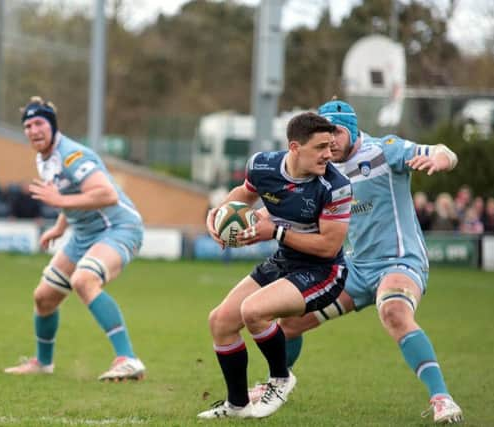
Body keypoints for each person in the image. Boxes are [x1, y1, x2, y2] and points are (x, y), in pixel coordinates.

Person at [257, 99, 463, 424]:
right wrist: (247, 219)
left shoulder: (384, 150)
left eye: (336, 133)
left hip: (399, 261)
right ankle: (277, 383)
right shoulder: (324, 171)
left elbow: (442, 151)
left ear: (351, 131)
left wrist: (440, 158)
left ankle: (442, 399)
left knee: (394, 311)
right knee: (291, 321)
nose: (330, 143)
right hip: (353, 268)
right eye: (324, 136)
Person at [198, 112, 352, 419]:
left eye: (330, 145)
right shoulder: (263, 165)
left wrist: (277, 232)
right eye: (320, 147)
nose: (329, 154)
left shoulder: (336, 186)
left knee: (253, 310)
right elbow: (242, 196)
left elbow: (328, 247)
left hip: (324, 271)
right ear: (295, 147)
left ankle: (281, 379)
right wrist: (219, 215)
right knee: (221, 321)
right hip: (284, 261)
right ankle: (238, 404)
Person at [4, 96, 145, 381]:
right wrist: (59, 227)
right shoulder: (44, 159)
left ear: (53, 126)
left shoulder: (72, 155)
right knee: (44, 298)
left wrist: (56, 200)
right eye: (28, 125)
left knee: (84, 280)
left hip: (118, 228)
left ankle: (128, 359)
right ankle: (43, 364)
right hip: (83, 234)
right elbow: (69, 195)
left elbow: (107, 194)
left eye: (40, 123)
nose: (34, 130)